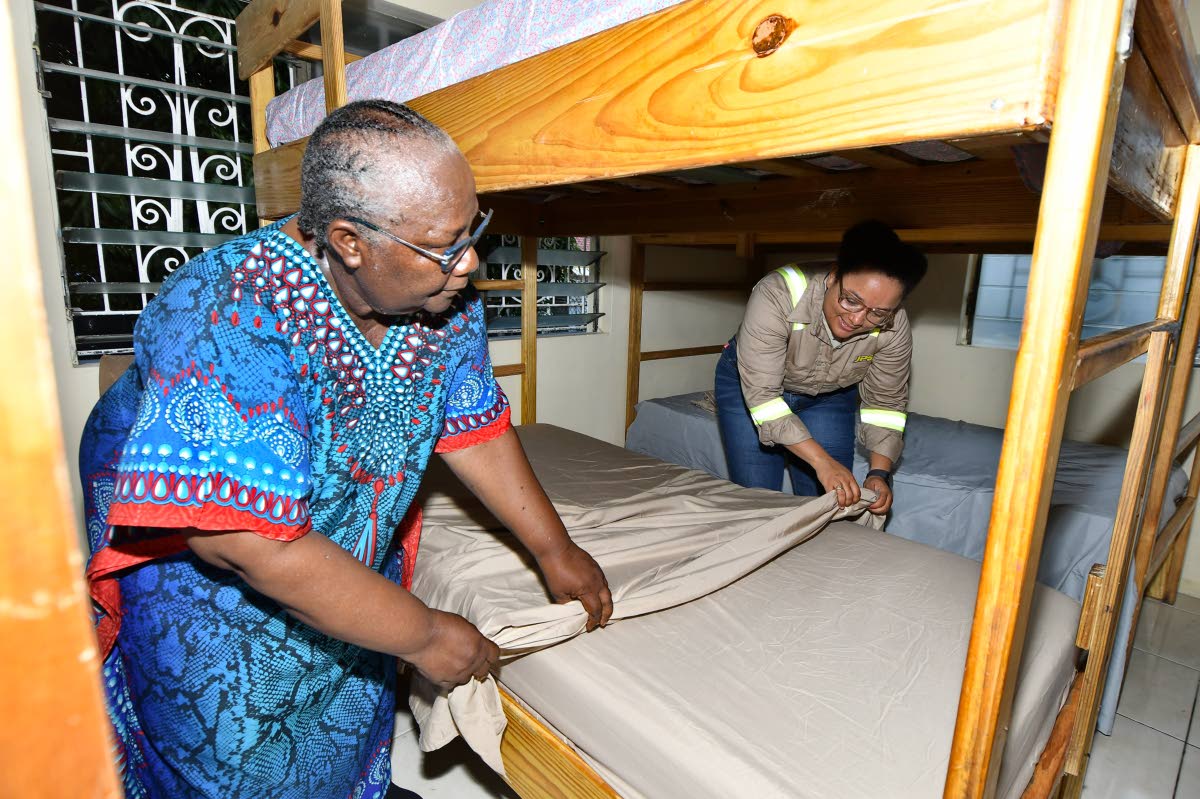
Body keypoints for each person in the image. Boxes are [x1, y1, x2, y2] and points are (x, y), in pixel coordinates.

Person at [79, 100, 612, 799]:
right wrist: (422, 633)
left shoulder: (440, 297)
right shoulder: (224, 310)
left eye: (473, 229)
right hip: (199, 582)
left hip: (326, 541)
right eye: (447, 244)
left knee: (344, 703)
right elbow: (240, 541)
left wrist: (554, 548)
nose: (471, 260)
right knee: (224, 744)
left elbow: (472, 421)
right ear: (349, 241)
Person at [714, 220, 927, 515]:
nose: (857, 319)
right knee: (758, 499)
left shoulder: (893, 325)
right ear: (833, 276)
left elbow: (886, 404)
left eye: (877, 313)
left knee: (832, 501)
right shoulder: (777, 293)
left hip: (830, 395)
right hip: (752, 389)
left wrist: (879, 474)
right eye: (851, 300)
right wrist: (821, 461)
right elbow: (764, 399)